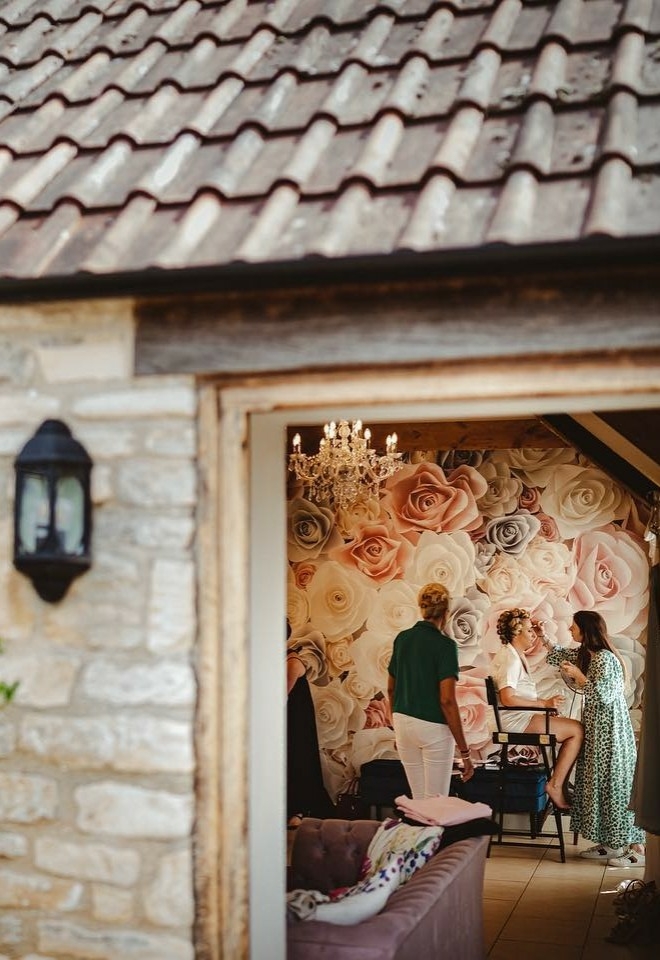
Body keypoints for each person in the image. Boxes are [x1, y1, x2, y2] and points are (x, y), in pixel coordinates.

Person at [543, 610, 646, 866]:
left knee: (616, 786)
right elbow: (558, 655)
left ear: (586, 630)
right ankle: (612, 843)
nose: (570, 629)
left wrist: (580, 677)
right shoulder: (585, 654)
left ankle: (635, 848)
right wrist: (543, 636)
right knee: (601, 787)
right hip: (598, 731)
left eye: (573, 626)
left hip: (611, 733)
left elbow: (604, 695)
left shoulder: (605, 658)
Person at [387, 582, 474, 799]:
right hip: (433, 727)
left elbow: (391, 689)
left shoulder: (403, 639)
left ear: (422, 609)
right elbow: (447, 700)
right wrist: (465, 752)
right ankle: (432, 834)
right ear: (446, 613)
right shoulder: (445, 646)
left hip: (402, 722)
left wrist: (396, 727)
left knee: (419, 801)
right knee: (436, 802)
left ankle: (418, 835)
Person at [492, 608, 584, 811]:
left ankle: (556, 784)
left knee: (575, 728)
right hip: (516, 721)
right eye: (529, 630)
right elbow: (507, 698)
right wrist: (543, 704)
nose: (533, 634)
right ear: (516, 633)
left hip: (522, 717)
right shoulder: (511, 658)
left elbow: (521, 696)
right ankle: (555, 785)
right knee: (577, 730)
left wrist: (545, 705)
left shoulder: (515, 655)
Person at [286, 644, 334, 828]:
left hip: (296, 723)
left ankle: (301, 810)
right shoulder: (284, 660)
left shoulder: (292, 662)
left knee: (299, 763)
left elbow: (281, 694)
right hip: (289, 721)